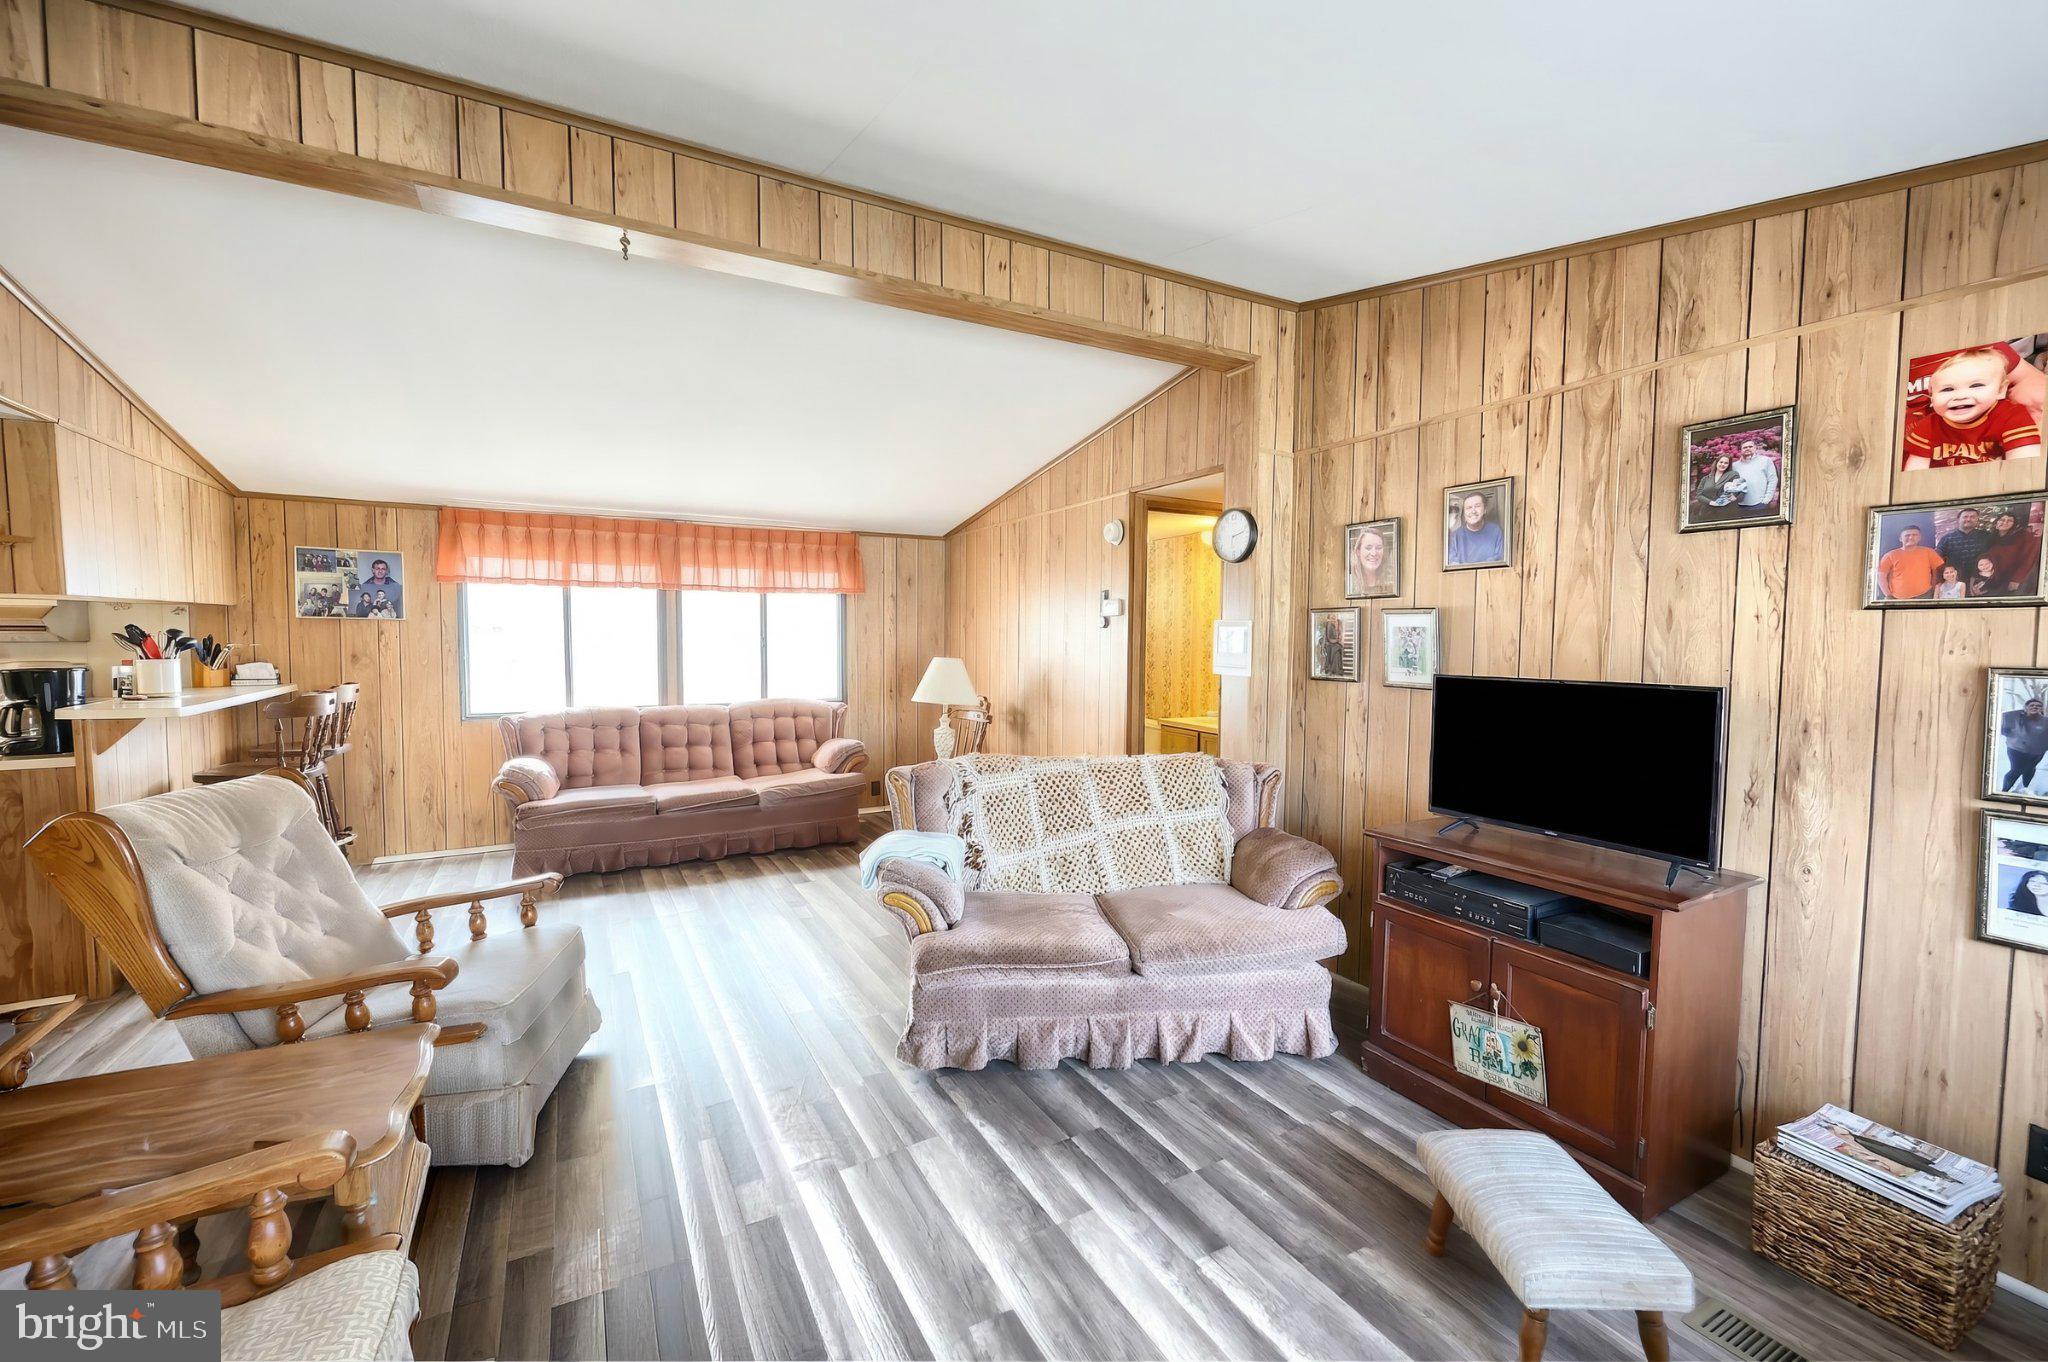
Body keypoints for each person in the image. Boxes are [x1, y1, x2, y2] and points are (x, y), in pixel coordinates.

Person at [1902, 348, 2043, 469]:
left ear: (2000, 390)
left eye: (1976, 386)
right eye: (1947, 389)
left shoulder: (2012, 417)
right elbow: (1914, 470)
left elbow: (2025, 466)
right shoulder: (1927, 426)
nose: (1960, 396)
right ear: (1932, 398)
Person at [1876, 524, 1944, 599]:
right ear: (1900, 538)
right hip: (1898, 598)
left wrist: (1933, 589)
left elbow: (1936, 571)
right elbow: (1881, 576)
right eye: (1907, 535)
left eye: (1915, 535)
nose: (1911, 537)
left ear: (1919, 538)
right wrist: (1888, 595)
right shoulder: (1889, 555)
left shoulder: (1929, 552)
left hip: (1926, 595)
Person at [1984, 508, 2042, 594]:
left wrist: (2017, 579)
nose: (2005, 522)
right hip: (1996, 578)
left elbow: (2029, 557)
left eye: (2009, 520)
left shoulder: (2023, 535)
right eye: (2002, 520)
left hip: (2016, 579)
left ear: (2014, 524)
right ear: (1997, 522)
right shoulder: (1991, 538)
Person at [2002, 697, 2048, 793]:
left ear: (2042, 709)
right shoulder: (2017, 718)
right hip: (2016, 750)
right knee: (2016, 770)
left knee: (2030, 769)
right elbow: (2002, 727)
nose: (2035, 707)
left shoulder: (2046, 721)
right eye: (2032, 705)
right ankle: (2003, 791)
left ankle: (2026, 790)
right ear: (2026, 708)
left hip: (2037, 752)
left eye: (2038, 706)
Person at [1446, 490, 1504, 565]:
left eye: (1477, 506)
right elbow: (1453, 564)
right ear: (1464, 513)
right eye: (1469, 507)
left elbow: (1499, 559)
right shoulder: (1454, 536)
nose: (1473, 511)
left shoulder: (1496, 531)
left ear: (1485, 510)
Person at [1935, 507, 1995, 578]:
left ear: (1977, 520)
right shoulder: (1947, 538)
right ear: (1958, 520)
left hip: (1982, 578)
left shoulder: (1987, 536)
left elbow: (1996, 557)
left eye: (1972, 517)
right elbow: (1937, 559)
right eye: (1965, 517)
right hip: (1955, 580)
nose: (1969, 519)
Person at [1729, 438, 1779, 509]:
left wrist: (1767, 499)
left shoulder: (1765, 461)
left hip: (1759, 504)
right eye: (1745, 447)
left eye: (1750, 447)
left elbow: (1773, 480)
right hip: (1738, 505)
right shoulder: (1735, 465)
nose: (1747, 449)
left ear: (1755, 448)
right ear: (1741, 450)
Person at [1348, 525, 1393, 596]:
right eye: (1368, 548)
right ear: (1358, 552)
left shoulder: (1391, 582)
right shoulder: (1349, 583)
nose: (1374, 553)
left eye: (1379, 548)